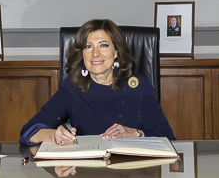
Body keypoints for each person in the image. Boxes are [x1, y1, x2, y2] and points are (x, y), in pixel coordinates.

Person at [20, 19, 175, 145]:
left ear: (116, 52)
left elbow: (168, 139)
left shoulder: (139, 87)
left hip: (132, 175)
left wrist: (135, 133)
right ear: (82, 54)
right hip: (88, 176)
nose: (95, 53)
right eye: (88, 47)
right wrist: (54, 136)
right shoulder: (72, 87)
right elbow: (29, 132)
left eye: (103, 45)